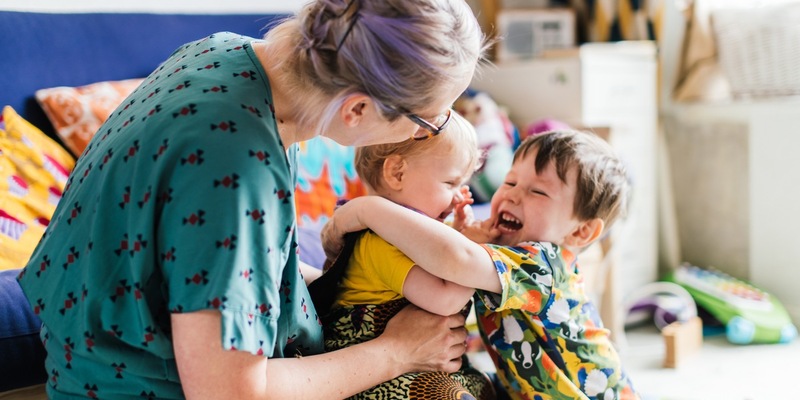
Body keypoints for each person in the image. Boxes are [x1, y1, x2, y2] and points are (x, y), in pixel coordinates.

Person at [15, 1, 487, 398]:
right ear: (357, 108)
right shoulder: (237, 167)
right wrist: (395, 352)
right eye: (429, 123)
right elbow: (231, 392)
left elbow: (206, 265)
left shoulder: (222, 53)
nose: (431, 131)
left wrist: (349, 274)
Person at [322, 129, 640, 399]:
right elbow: (443, 258)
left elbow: (457, 260)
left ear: (581, 231)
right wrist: (462, 234)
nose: (513, 196)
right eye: (511, 182)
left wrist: (368, 209)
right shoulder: (504, 251)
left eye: (537, 191)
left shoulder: (543, 264)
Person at [310, 111, 495, 399]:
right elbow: (445, 299)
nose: (459, 196)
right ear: (397, 173)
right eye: (450, 184)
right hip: (377, 383)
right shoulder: (379, 243)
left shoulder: (410, 236)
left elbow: (439, 260)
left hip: (418, 364)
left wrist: (456, 234)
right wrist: (471, 247)